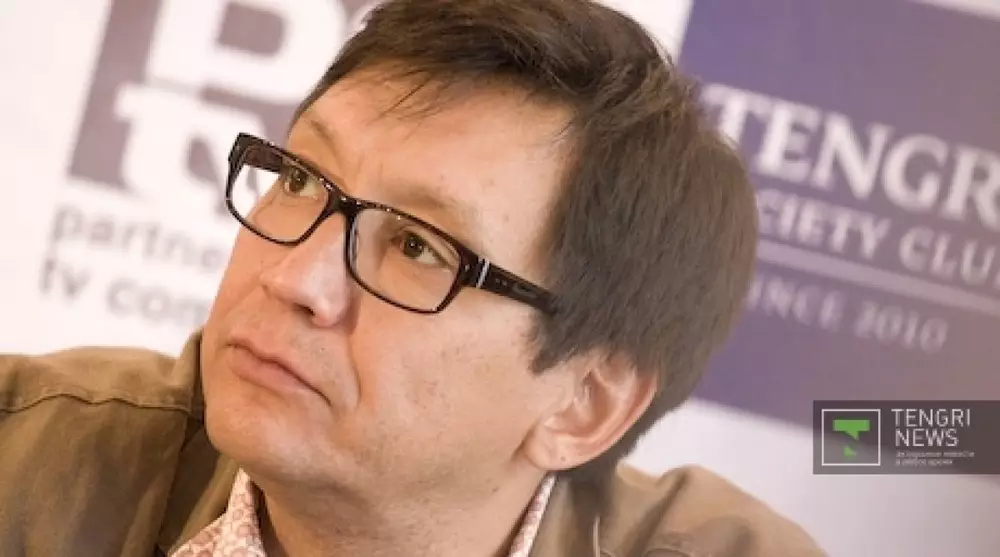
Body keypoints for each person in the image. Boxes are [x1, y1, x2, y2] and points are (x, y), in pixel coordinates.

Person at [0, 0, 827, 555]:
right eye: (301, 179)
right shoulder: (23, 457)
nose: (296, 278)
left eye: (419, 246)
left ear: (584, 403)